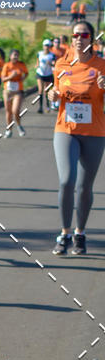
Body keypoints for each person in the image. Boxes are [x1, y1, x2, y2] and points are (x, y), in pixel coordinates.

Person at [49, 20, 105, 256]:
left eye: (84, 35)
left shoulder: (102, 65)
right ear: (71, 39)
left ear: (91, 39)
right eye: (75, 35)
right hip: (66, 130)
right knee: (66, 181)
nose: (79, 38)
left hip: (94, 132)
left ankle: (80, 233)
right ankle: (64, 232)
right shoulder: (62, 64)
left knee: (84, 187)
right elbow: (55, 97)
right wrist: (52, 95)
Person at [1, 49, 28, 137]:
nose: (16, 57)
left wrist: (22, 79)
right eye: (14, 55)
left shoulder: (21, 64)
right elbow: (3, 79)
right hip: (7, 92)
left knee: (15, 110)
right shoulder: (6, 65)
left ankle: (19, 126)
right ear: (10, 56)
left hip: (17, 91)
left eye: (17, 55)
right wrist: (11, 77)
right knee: (8, 112)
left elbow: (26, 73)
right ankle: (9, 130)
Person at [36, 38, 56, 114]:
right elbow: (37, 61)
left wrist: (50, 64)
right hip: (40, 73)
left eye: (48, 46)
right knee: (40, 90)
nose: (46, 47)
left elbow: (54, 63)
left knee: (46, 91)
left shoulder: (52, 55)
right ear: (43, 46)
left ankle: (47, 106)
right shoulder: (39, 53)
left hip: (48, 74)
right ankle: (40, 107)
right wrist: (37, 65)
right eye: (45, 45)